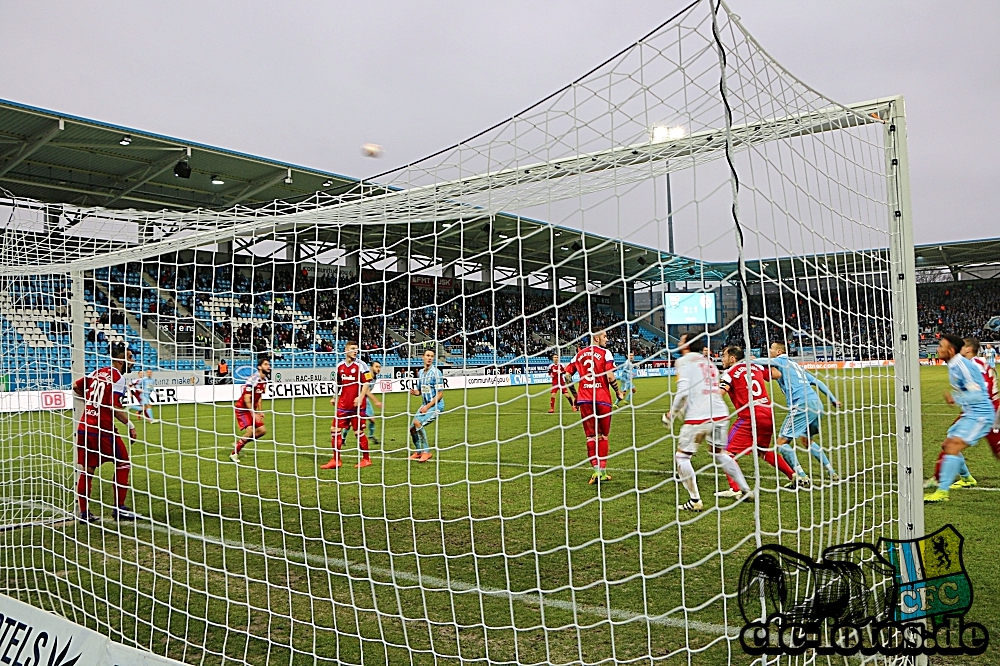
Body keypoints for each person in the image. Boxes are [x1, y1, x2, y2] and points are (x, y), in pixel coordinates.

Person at [662, 335, 751, 511]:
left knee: (682, 456)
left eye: (681, 341)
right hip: (719, 413)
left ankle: (695, 500)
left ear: (686, 345)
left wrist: (671, 414)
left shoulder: (683, 361)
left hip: (699, 415)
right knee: (719, 453)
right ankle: (746, 489)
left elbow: (682, 392)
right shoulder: (708, 362)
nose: (679, 343)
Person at [925, 334, 998, 503]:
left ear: (950, 350)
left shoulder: (963, 366)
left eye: (941, 346)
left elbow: (978, 393)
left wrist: (955, 399)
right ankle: (966, 478)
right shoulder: (954, 365)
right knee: (947, 445)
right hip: (970, 414)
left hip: (981, 414)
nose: (937, 349)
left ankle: (942, 492)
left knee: (952, 446)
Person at [716, 345, 798, 497]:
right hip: (767, 414)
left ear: (732, 358)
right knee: (763, 451)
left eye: (724, 356)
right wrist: (759, 363)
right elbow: (777, 374)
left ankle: (735, 489)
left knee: (726, 452)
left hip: (749, 416)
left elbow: (720, 393)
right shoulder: (755, 367)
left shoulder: (730, 373)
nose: (722, 359)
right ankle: (793, 475)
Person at [756, 341, 841, 484]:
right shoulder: (796, 365)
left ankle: (801, 476)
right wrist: (833, 399)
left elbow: (764, 361)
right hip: (817, 404)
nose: (769, 350)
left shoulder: (780, 360)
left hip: (801, 405)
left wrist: (748, 361)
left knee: (781, 443)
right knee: (807, 440)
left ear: (778, 352)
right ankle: (831, 471)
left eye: (771, 348)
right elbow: (817, 382)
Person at [72, 343, 138, 522]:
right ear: (120, 360)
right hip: (103, 430)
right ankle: (119, 508)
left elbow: (76, 387)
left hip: (85, 427)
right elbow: (114, 406)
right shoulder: (118, 378)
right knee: (123, 463)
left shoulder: (96, 372)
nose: (132, 361)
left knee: (88, 470)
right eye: (130, 358)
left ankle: (84, 513)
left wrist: (92, 402)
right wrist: (130, 424)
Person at [564, 330, 625, 485]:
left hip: (585, 399)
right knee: (603, 436)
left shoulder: (579, 355)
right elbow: (610, 376)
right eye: (605, 336)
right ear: (597, 338)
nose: (607, 339)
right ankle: (602, 472)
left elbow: (567, 376)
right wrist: (618, 392)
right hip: (602, 399)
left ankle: (596, 471)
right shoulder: (606, 353)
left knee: (590, 437)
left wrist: (575, 395)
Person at [323, 341, 374, 469]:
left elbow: (367, 382)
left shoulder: (361, 365)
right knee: (334, 430)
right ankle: (336, 460)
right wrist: (334, 396)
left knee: (358, 432)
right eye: (352, 348)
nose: (355, 351)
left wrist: (360, 397)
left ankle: (366, 459)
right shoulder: (339, 366)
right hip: (343, 405)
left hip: (357, 406)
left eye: (357, 349)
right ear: (346, 350)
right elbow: (338, 383)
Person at [229, 355, 270, 463]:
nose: (268, 366)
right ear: (259, 367)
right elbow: (247, 398)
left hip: (252, 409)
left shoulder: (265, 380)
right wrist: (253, 412)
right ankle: (234, 454)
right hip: (242, 409)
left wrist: (260, 411)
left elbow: (259, 396)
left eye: (269, 364)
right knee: (251, 431)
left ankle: (241, 442)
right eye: (266, 364)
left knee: (262, 431)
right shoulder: (253, 379)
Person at [409, 349, 444, 462]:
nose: (430, 358)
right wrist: (415, 392)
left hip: (436, 406)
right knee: (412, 428)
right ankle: (419, 452)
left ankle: (426, 452)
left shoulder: (436, 372)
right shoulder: (420, 373)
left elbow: (440, 394)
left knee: (417, 422)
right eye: (428, 355)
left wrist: (427, 407)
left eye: (432, 356)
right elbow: (421, 391)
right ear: (422, 357)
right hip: (425, 405)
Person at [365, 360, 384, 446]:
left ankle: (371, 436)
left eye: (379, 367)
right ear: (371, 367)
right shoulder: (367, 375)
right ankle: (343, 438)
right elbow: (367, 391)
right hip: (358, 398)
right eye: (376, 366)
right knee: (351, 422)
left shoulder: (374, 377)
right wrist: (376, 401)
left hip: (365, 400)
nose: (378, 369)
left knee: (372, 420)